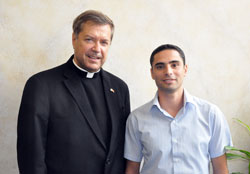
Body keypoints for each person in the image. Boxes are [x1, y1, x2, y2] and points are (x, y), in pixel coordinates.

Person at [17, 10, 130, 174]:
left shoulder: (119, 88)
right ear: (74, 39)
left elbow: (122, 148)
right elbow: (31, 155)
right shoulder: (41, 85)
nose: (97, 48)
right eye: (89, 40)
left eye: (104, 42)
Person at [124, 44, 232, 174]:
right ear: (152, 73)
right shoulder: (137, 118)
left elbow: (221, 169)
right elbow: (131, 169)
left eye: (174, 65)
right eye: (160, 66)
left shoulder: (210, 114)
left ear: (185, 69)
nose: (168, 71)